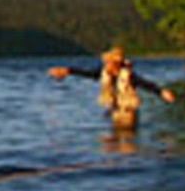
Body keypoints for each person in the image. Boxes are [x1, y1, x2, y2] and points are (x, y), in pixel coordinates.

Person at [48, 44, 176, 131]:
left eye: (108, 62)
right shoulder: (103, 73)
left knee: (126, 138)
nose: (106, 64)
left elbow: (146, 84)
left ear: (116, 64)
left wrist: (161, 92)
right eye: (106, 62)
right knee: (113, 139)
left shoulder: (129, 76)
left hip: (128, 111)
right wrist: (67, 71)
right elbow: (86, 73)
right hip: (115, 110)